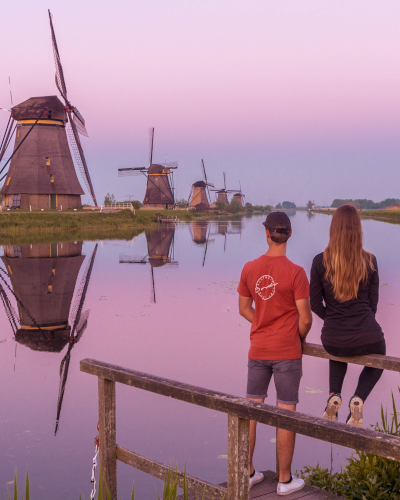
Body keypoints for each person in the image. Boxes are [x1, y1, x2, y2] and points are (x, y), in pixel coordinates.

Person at [237, 211, 312, 495]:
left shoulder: (250, 268)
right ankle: (284, 480)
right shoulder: (296, 273)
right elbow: (305, 319)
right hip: (286, 352)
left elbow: (245, 308)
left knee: (251, 410)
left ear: (266, 233)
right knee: (286, 413)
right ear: (290, 234)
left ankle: (247, 473)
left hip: (258, 348)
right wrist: (296, 336)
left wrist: (262, 321)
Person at [310, 204, 385, 428]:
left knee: (337, 348)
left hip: (333, 337)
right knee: (379, 358)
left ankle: (335, 395)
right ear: (358, 229)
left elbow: (314, 304)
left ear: (333, 228)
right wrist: (361, 322)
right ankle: (359, 398)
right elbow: (373, 304)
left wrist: (333, 319)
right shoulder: (370, 260)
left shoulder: (319, 261)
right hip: (367, 335)